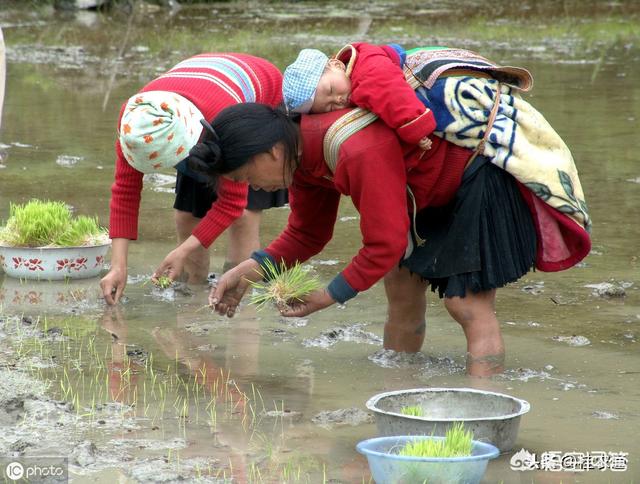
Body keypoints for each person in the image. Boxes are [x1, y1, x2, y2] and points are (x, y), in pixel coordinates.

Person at [192, 102, 590, 377]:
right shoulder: (303, 158)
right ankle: (398, 391)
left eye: (246, 176)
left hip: (475, 176)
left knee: (465, 303)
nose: (252, 188)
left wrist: (327, 296)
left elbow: (383, 245)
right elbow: (308, 232)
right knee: (399, 286)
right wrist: (249, 270)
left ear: (272, 151)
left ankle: (484, 404)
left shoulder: (353, 147)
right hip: (420, 193)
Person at [100, 53, 286, 305]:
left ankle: (240, 301)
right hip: (196, 97)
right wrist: (118, 266)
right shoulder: (135, 124)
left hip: (254, 103)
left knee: (244, 217)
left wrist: (183, 250)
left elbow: (232, 203)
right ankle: (191, 300)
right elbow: (125, 192)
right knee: (187, 216)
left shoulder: (222, 122)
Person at [282, 44, 434, 151]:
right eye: (329, 107)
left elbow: (392, 93)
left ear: (336, 65)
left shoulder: (367, 73)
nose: (338, 100)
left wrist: (415, 128)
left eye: (331, 90)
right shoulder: (346, 80)